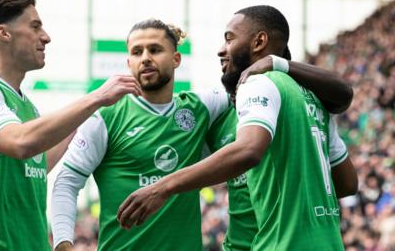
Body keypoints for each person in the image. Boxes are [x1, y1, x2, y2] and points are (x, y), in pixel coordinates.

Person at [51, 17, 354, 251]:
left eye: (155, 50)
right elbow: (66, 180)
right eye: (136, 52)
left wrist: (276, 65)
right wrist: (63, 243)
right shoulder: (106, 117)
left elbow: (244, 97)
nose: (145, 58)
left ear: (176, 59)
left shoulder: (203, 108)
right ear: (127, 62)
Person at [0, 0, 141, 251]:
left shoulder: (27, 105)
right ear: (3, 33)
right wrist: (95, 97)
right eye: (35, 27)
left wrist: (85, 117)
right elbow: (21, 143)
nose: (46, 37)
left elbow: (36, 163)